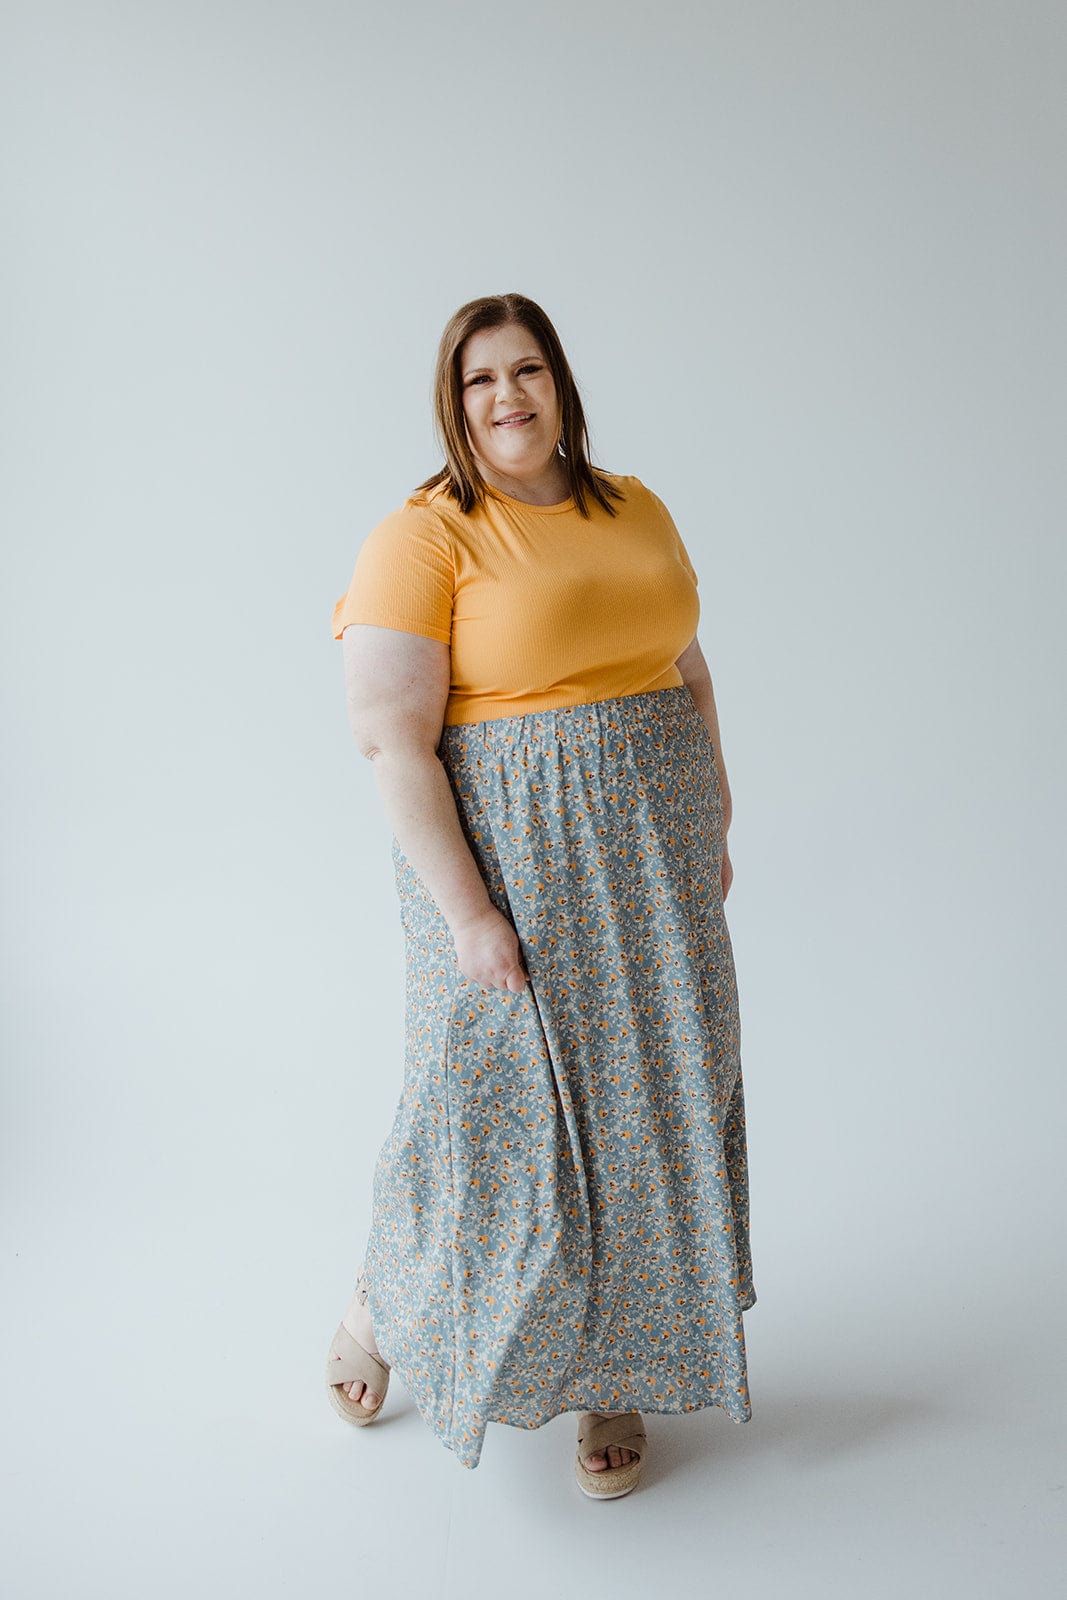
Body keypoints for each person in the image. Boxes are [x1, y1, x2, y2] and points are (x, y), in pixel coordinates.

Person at [324, 292, 755, 1499]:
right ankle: (378, 1302)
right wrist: (468, 914)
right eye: (478, 381)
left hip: (652, 866)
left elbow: (687, 667)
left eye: (525, 370)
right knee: (478, 1119)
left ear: (560, 382)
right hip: (509, 870)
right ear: (452, 404)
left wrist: (711, 816)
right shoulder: (422, 537)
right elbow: (390, 743)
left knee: (647, 1107)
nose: (506, 396)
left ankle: (611, 1374)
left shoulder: (635, 508)